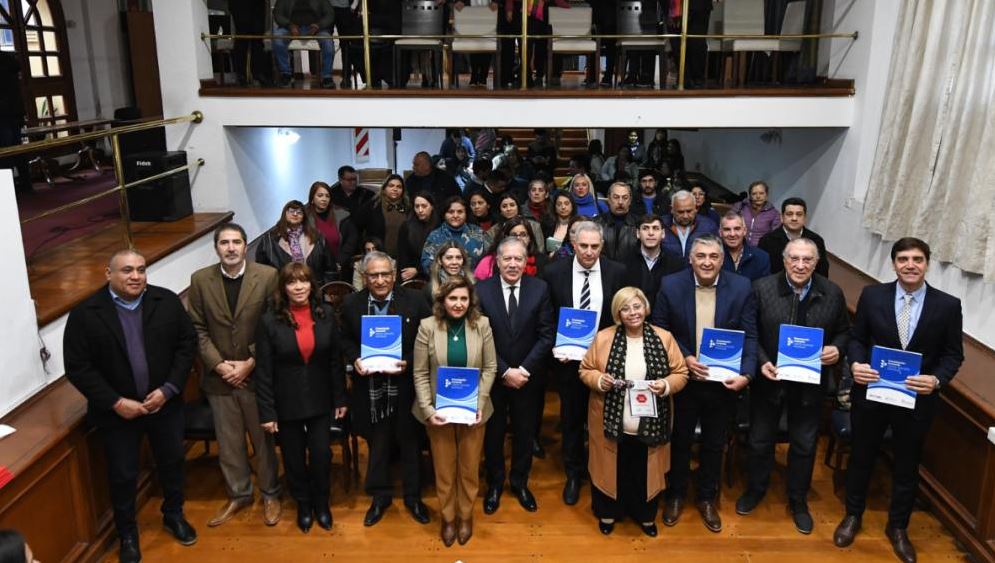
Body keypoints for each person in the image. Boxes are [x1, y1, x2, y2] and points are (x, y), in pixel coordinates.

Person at [834, 238, 964, 563]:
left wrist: (936, 380)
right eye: (903, 259)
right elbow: (857, 339)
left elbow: (953, 355)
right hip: (872, 396)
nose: (910, 265)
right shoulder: (872, 295)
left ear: (927, 264)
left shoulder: (948, 305)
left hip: (917, 401)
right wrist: (856, 364)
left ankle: (898, 528)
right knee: (861, 458)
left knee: (907, 466)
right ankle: (853, 515)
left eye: (917, 259)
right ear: (893, 264)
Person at [63, 250, 198, 563]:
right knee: (122, 475)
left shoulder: (166, 302)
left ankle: (174, 514)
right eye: (126, 270)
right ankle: (127, 533)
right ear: (108, 273)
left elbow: (187, 344)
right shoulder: (86, 313)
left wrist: (168, 389)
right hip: (118, 414)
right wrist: (115, 402)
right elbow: (78, 367)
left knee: (173, 462)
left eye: (141, 269)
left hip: (164, 406)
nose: (135, 276)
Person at [737, 238, 849, 534]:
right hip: (769, 380)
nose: (800, 265)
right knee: (760, 440)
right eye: (794, 259)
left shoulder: (833, 292)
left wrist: (837, 349)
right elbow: (750, 332)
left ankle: (798, 500)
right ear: (784, 260)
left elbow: (843, 332)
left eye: (807, 260)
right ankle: (755, 489)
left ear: (816, 262)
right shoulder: (761, 288)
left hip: (810, 387)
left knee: (804, 444)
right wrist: (762, 361)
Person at [650, 234, 758, 533]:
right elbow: (660, 330)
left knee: (714, 443)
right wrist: (685, 357)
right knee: (679, 441)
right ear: (690, 258)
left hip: (723, 385)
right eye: (701, 256)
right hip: (684, 381)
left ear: (722, 260)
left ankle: (707, 498)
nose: (707, 262)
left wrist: (747, 374)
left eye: (713, 256)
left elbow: (750, 335)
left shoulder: (742, 287)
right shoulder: (671, 285)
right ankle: (675, 494)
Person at [187, 223, 282, 529]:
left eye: (236, 242)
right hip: (220, 379)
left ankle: (270, 493)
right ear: (216, 247)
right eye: (224, 243)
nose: (230, 248)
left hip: (256, 374)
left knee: (263, 441)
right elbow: (197, 328)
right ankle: (239, 494)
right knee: (229, 444)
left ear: (245, 246)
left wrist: (250, 362)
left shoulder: (267, 276)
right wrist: (220, 365)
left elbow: (274, 324)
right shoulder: (200, 280)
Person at [580, 287, 690, 536]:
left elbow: (681, 372)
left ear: (645, 308)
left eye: (637, 306)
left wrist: (665, 385)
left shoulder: (664, 337)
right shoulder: (603, 337)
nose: (633, 313)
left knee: (644, 470)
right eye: (625, 308)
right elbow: (585, 369)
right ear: (618, 313)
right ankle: (608, 513)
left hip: (651, 421)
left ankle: (645, 516)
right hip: (611, 422)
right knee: (611, 469)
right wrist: (600, 380)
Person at [339, 252, 433, 527]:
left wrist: (409, 363)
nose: (380, 280)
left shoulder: (415, 300)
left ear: (394, 275)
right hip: (370, 388)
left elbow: (428, 340)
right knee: (378, 442)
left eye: (385, 274)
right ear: (364, 277)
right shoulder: (351, 303)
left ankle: (413, 497)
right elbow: (343, 339)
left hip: (406, 385)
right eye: (373, 275)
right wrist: (355, 358)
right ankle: (380, 496)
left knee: (410, 442)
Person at [255, 262, 348, 533]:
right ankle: (304, 505)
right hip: (286, 401)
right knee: (293, 458)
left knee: (321, 455)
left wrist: (340, 398)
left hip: (320, 398)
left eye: (304, 281)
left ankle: (322, 503)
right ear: (283, 288)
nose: (298, 287)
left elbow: (335, 361)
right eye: (292, 282)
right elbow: (264, 370)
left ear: (311, 284)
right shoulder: (269, 321)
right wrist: (267, 412)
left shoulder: (326, 313)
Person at [542, 221, 627, 505]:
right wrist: (557, 347)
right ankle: (574, 473)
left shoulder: (617, 272)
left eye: (594, 246)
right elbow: (547, 316)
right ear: (573, 245)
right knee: (572, 420)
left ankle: (603, 472)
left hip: (606, 362)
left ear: (602, 246)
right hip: (568, 363)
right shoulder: (554, 272)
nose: (589, 252)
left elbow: (623, 317)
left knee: (605, 420)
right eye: (583, 246)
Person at [412, 276, 497, 546]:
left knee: (469, 468)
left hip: (474, 412)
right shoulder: (427, 326)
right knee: (444, 469)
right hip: (439, 413)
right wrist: (428, 409)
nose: (458, 304)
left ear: (470, 300)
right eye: (452, 298)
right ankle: (448, 518)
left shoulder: (482, 325)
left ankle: (466, 515)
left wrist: (479, 404)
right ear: (442, 300)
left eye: (463, 298)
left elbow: (490, 368)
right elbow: (420, 372)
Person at [475, 237, 554, 516]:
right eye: (507, 258)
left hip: (527, 378)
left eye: (518, 259)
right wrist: (505, 370)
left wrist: (524, 370)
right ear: (497, 261)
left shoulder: (540, 288)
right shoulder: (481, 290)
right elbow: (478, 337)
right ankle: (495, 484)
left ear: (525, 262)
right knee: (494, 434)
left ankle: (520, 482)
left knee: (524, 432)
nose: (512, 264)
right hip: (494, 378)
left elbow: (546, 335)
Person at [255, 200, 337, 284]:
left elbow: (330, 268)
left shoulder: (317, 237)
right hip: (282, 289)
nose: (295, 214)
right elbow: (262, 271)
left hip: (315, 287)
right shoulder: (268, 240)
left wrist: (324, 288)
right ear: (284, 214)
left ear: (304, 216)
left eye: (299, 212)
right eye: (291, 211)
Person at [622, 214, 686, 309]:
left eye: (655, 228)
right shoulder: (624, 262)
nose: (651, 233)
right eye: (645, 228)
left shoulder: (676, 263)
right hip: (634, 315)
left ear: (663, 233)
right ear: (638, 233)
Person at [758, 197, 829, 278]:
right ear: (782, 217)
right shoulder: (767, 241)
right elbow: (761, 272)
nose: (794, 218)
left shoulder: (816, 241)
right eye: (789, 214)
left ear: (805, 218)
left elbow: (822, 272)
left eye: (799, 214)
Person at [271, 0, 336, 88]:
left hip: (316, 28)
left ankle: (327, 77)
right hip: (290, 27)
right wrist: (290, 25)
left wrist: (318, 25)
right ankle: (286, 74)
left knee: (328, 42)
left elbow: (330, 14)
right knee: (277, 39)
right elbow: (277, 13)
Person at [421, 196, 488, 273]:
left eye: (460, 212)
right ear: (444, 214)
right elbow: (427, 264)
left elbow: (489, 260)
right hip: (444, 280)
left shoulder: (478, 232)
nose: (455, 216)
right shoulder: (435, 236)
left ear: (466, 214)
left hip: (476, 279)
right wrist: (450, 278)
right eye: (451, 212)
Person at [351, 174, 410, 257]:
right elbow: (355, 227)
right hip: (376, 256)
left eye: (399, 187)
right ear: (384, 189)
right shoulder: (372, 206)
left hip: (402, 257)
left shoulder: (408, 208)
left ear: (403, 191)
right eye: (391, 186)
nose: (395, 189)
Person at [475, 216, 547, 280]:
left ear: (529, 238)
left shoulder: (543, 261)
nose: (518, 238)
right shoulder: (490, 261)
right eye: (513, 235)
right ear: (506, 237)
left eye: (523, 235)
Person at [0, 52, 29, 193]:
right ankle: (26, 184)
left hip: (2, 115)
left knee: (5, 154)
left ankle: (7, 188)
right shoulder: (10, 62)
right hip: (14, 113)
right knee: (18, 151)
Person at [662, 190, 719, 258]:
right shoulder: (661, 225)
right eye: (680, 212)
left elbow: (717, 254)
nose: (685, 216)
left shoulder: (709, 226)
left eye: (689, 211)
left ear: (695, 208)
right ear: (672, 209)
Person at [396, 191, 438, 282]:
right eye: (417, 206)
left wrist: (418, 270)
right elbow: (402, 256)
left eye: (424, 206)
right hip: (411, 278)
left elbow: (439, 256)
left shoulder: (439, 227)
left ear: (432, 206)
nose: (420, 210)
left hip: (435, 276)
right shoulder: (406, 227)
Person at [228, 0, 272, 87]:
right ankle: (241, 75)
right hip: (240, 4)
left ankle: (258, 73)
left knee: (258, 39)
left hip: (258, 5)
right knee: (242, 38)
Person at [719, 212, 771, 282]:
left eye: (737, 229)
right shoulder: (712, 256)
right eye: (727, 229)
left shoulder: (761, 257)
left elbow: (764, 286)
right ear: (720, 233)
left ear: (744, 231)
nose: (732, 234)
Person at [594, 181, 640, 261]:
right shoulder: (596, 223)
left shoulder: (639, 224)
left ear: (630, 200)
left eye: (625, 198)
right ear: (609, 199)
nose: (620, 202)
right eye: (616, 197)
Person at [730, 181, 782, 247]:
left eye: (761, 193)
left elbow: (775, 236)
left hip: (760, 248)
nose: (758, 196)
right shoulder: (740, 206)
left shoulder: (774, 213)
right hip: (737, 245)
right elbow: (727, 223)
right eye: (754, 194)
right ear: (750, 196)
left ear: (766, 195)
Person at [307, 181, 342, 261]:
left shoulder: (341, 216)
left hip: (338, 262)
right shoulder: (305, 218)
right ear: (312, 198)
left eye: (327, 196)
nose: (324, 199)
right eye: (320, 195)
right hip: (314, 264)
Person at [541, 189, 578, 254]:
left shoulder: (578, 225)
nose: (563, 207)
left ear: (572, 206)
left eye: (566, 204)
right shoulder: (547, 225)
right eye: (559, 204)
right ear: (555, 207)